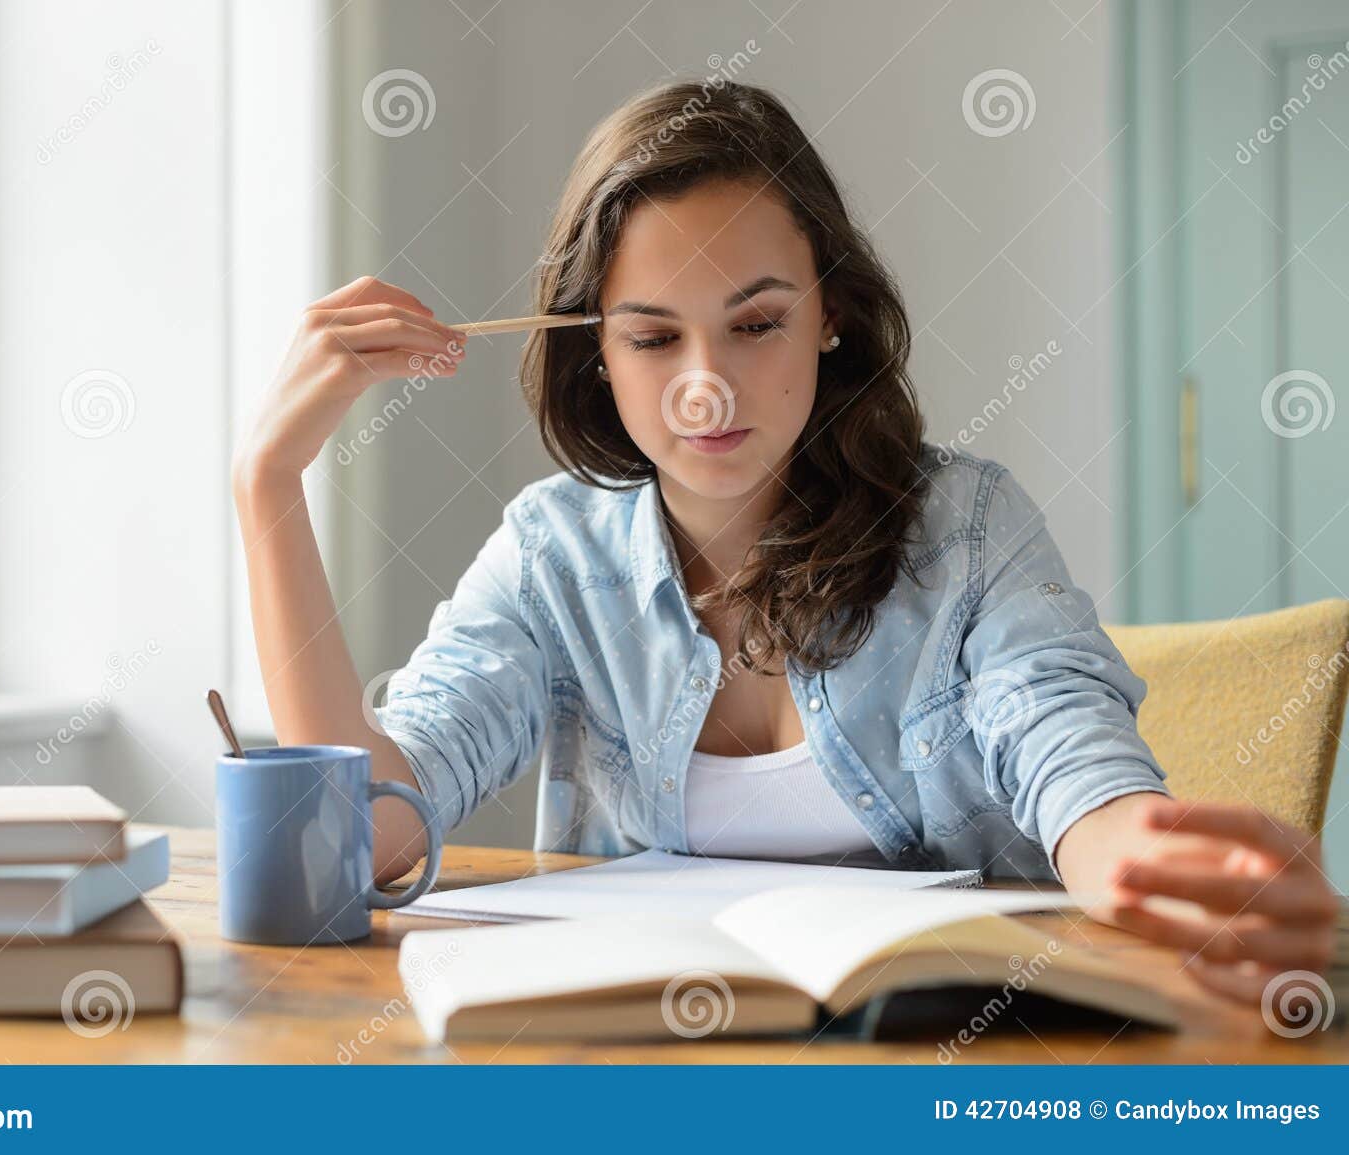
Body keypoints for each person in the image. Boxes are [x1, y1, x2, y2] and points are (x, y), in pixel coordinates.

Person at [231, 79, 1337, 1008]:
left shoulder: (967, 528)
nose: (705, 387)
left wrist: (1132, 852)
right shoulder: (552, 557)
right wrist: (266, 485)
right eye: (653, 337)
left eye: (755, 324)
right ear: (593, 355)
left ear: (831, 315)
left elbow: (1067, 751)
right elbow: (362, 844)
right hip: (642, 1071)